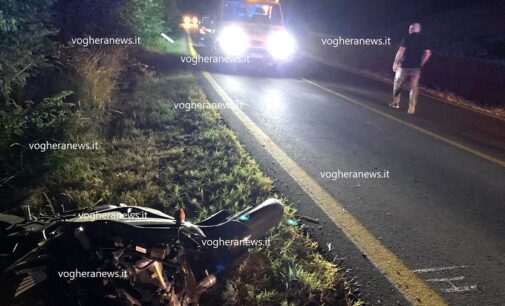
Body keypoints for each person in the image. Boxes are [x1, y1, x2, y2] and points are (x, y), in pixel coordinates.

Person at [390, 23, 432, 114]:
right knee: (414, 88)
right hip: (416, 68)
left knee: (397, 84)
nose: (409, 29)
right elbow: (428, 53)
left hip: (403, 66)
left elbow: (401, 51)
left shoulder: (407, 38)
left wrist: (395, 62)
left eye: (411, 28)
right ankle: (411, 109)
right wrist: (421, 63)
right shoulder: (424, 40)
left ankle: (396, 103)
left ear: (414, 29)